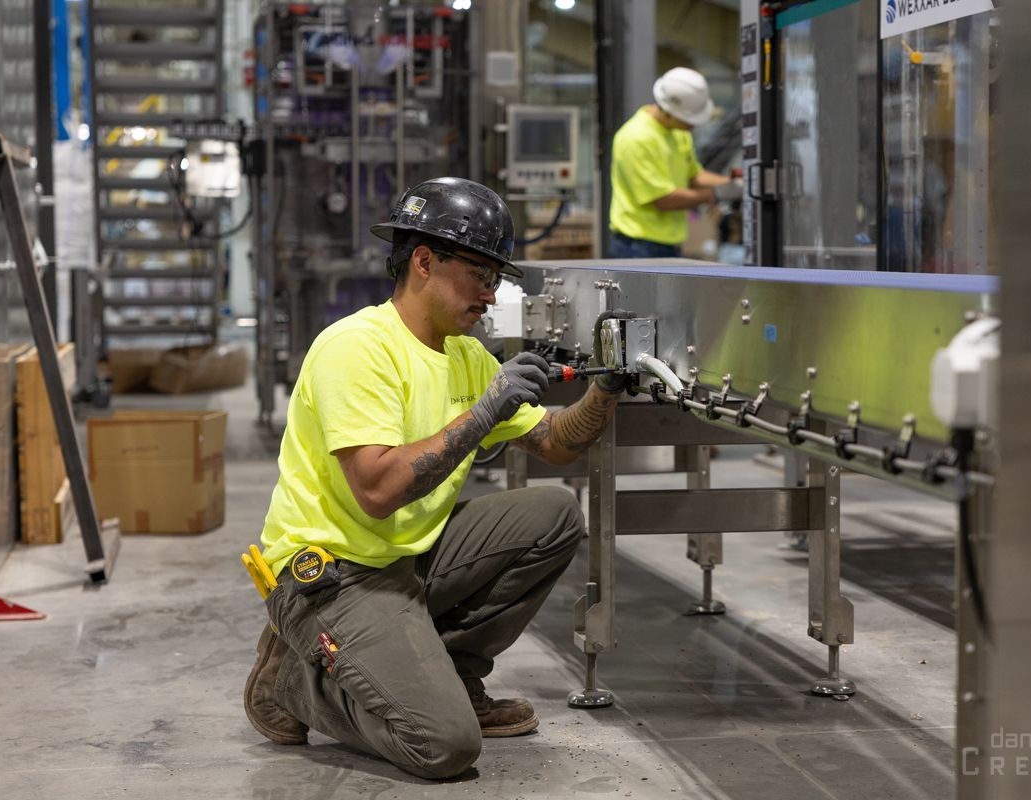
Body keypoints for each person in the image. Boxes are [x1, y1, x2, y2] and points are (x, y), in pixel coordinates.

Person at [243, 177, 629, 780]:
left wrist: (607, 386)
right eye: (480, 274)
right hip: (331, 575)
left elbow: (556, 442)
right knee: (445, 745)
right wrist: (482, 414)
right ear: (424, 261)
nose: (490, 293)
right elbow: (376, 491)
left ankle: (454, 676)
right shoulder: (357, 348)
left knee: (552, 515)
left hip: (408, 557)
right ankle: (294, 681)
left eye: (495, 278)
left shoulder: (468, 356)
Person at [609, 66, 743, 258]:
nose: (693, 124)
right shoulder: (636, 139)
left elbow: (694, 175)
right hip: (637, 247)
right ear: (668, 112)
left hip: (670, 243)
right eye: (689, 119)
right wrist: (715, 193)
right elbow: (663, 200)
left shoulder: (678, 132)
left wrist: (733, 184)